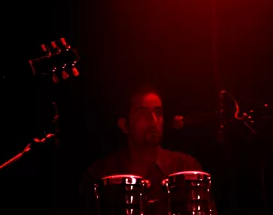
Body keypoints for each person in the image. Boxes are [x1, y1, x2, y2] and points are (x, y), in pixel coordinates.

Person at [79, 83, 207, 215]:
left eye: (158, 112)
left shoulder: (185, 167)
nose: (153, 119)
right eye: (143, 113)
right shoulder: (100, 175)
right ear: (124, 125)